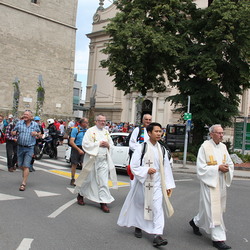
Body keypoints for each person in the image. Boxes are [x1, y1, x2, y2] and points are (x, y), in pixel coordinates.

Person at [118, 122, 175, 247]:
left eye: (160, 131)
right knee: (141, 206)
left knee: (157, 208)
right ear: (149, 133)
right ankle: (138, 226)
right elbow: (134, 166)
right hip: (143, 183)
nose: (159, 133)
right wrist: (146, 170)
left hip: (158, 184)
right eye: (156, 131)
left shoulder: (163, 150)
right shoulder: (141, 148)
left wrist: (168, 185)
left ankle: (158, 235)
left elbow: (166, 168)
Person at [189, 124, 234, 250]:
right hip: (209, 182)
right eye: (219, 133)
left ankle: (195, 222)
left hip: (220, 181)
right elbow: (201, 168)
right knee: (214, 209)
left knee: (209, 208)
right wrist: (217, 168)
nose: (221, 135)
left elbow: (229, 162)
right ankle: (218, 239)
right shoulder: (204, 147)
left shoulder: (223, 147)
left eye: (222, 133)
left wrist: (227, 168)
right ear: (211, 134)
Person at [74, 114, 117, 213]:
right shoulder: (90, 131)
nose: (103, 122)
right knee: (87, 179)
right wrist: (98, 144)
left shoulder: (106, 132)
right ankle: (80, 195)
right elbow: (85, 144)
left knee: (103, 181)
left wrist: (108, 145)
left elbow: (112, 145)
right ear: (96, 121)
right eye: (101, 121)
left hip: (103, 160)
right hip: (92, 159)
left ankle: (103, 202)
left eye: (104, 121)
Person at [12, 110, 41, 191]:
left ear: (31, 117)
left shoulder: (35, 125)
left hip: (30, 147)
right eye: (24, 114)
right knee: (21, 165)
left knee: (26, 165)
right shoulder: (19, 123)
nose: (25, 116)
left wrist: (36, 134)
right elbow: (13, 131)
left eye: (27, 115)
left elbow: (40, 134)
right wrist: (14, 132)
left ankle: (23, 183)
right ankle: (24, 174)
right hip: (20, 147)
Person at [69, 118, 88, 186]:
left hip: (84, 148)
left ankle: (82, 180)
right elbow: (71, 142)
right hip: (76, 148)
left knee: (84, 164)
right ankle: (73, 179)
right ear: (81, 123)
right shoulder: (75, 129)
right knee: (74, 164)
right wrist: (78, 149)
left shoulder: (87, 131)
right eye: (85, 122)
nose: (87, 124)